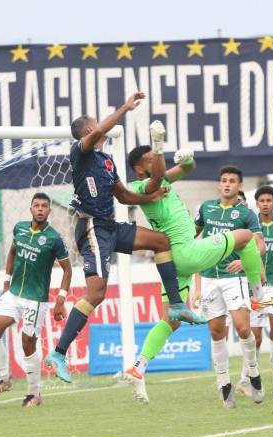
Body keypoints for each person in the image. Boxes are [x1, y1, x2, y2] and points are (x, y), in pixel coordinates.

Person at [45, 93, 204, 384]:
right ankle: (58, 353)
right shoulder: (79, 153)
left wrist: (150, 195)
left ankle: (178, 304)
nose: (100, 129)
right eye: (95, 127)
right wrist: (125, 108)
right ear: (89, 132)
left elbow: (123, 195)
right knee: (96, 293)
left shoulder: (106, 161)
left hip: (110, 226)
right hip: (91, 227)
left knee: (161, 241)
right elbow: (102, 131)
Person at [124, 122, 273, 404]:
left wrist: (186, 160)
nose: (154, 162)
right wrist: (160, 146)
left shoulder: (159, 179)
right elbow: (157, 177)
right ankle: (259, 298)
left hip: (172, 261)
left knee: (171, 320)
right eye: (148, 160)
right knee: (245, 236)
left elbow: (185, 170)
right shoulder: (142, 185)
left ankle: (139, 366)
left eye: (154, 157)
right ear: (140, 168)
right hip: (187, 252)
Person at [195, 166, 273, 408]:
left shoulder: (246, 215)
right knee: (216, 332)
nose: (227, 184)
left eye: (232, 181)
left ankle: (253, 375)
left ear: (240, 186)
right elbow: (192, 239)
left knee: (242, 328)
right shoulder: (206, 208)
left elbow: (260, 246)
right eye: (224, 180)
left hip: (232, 277)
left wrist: (245, 260)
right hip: (208, 278)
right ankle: (224, 384)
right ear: (219, 185)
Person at [0, 193, 72, 407]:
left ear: (49, 210)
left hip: (36, 299)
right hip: (14, 294)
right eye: (37, 205)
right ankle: (4, 379)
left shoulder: (54, 239)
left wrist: (60, 299)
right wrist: (6, 282)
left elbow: (67, 269)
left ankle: (34, 393)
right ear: (31, 209)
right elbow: (12, 253)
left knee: (27, 343)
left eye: (44, 206)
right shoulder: (20, 229)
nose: (40, 209)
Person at [232, 185, 273, 397]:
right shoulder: (248, 224)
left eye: (269, 200)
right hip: (251, 284)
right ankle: (245, 378)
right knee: (255, 336)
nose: (265, 204)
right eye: (262, 201)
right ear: (257, 204)